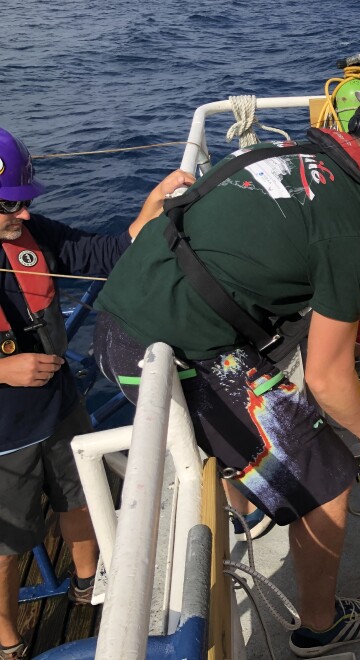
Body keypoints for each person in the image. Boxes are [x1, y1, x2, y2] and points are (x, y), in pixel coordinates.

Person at [91, 69, 360, 657]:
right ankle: (318, 626)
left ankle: (247, 507)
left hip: (124, 312)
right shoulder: (350, 226)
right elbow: (329, 377)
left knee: (274, 412)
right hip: (164, 353)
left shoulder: (285, 149)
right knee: (328, 476)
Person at [0, 127, 193, 660]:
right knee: (7, 544)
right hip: (5, 436)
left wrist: (151, 208)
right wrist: (4, 370)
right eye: (7, 205)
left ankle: (91, 585)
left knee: (80, 498)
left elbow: (105, 252)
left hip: (60, 407)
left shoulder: (31, 235)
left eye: (23, 202)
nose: (22, 215)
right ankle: (9, 641)